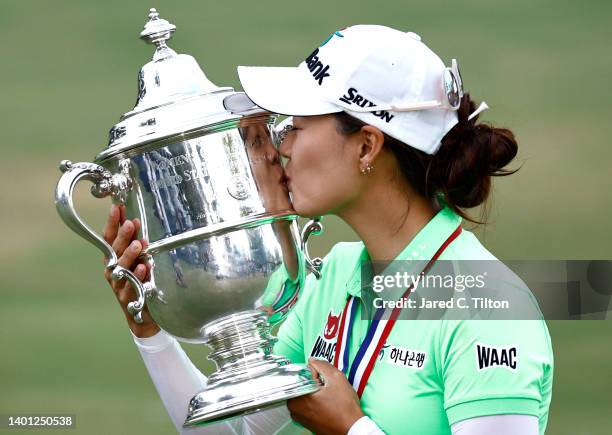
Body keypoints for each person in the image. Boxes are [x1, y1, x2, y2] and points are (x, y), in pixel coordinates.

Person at [103, 25, 553, 434]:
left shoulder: (491, 308)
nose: (283, 147)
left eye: (296, 126)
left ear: (366, 145)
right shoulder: (328, 278)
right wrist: (149, 331)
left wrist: (351, 429)